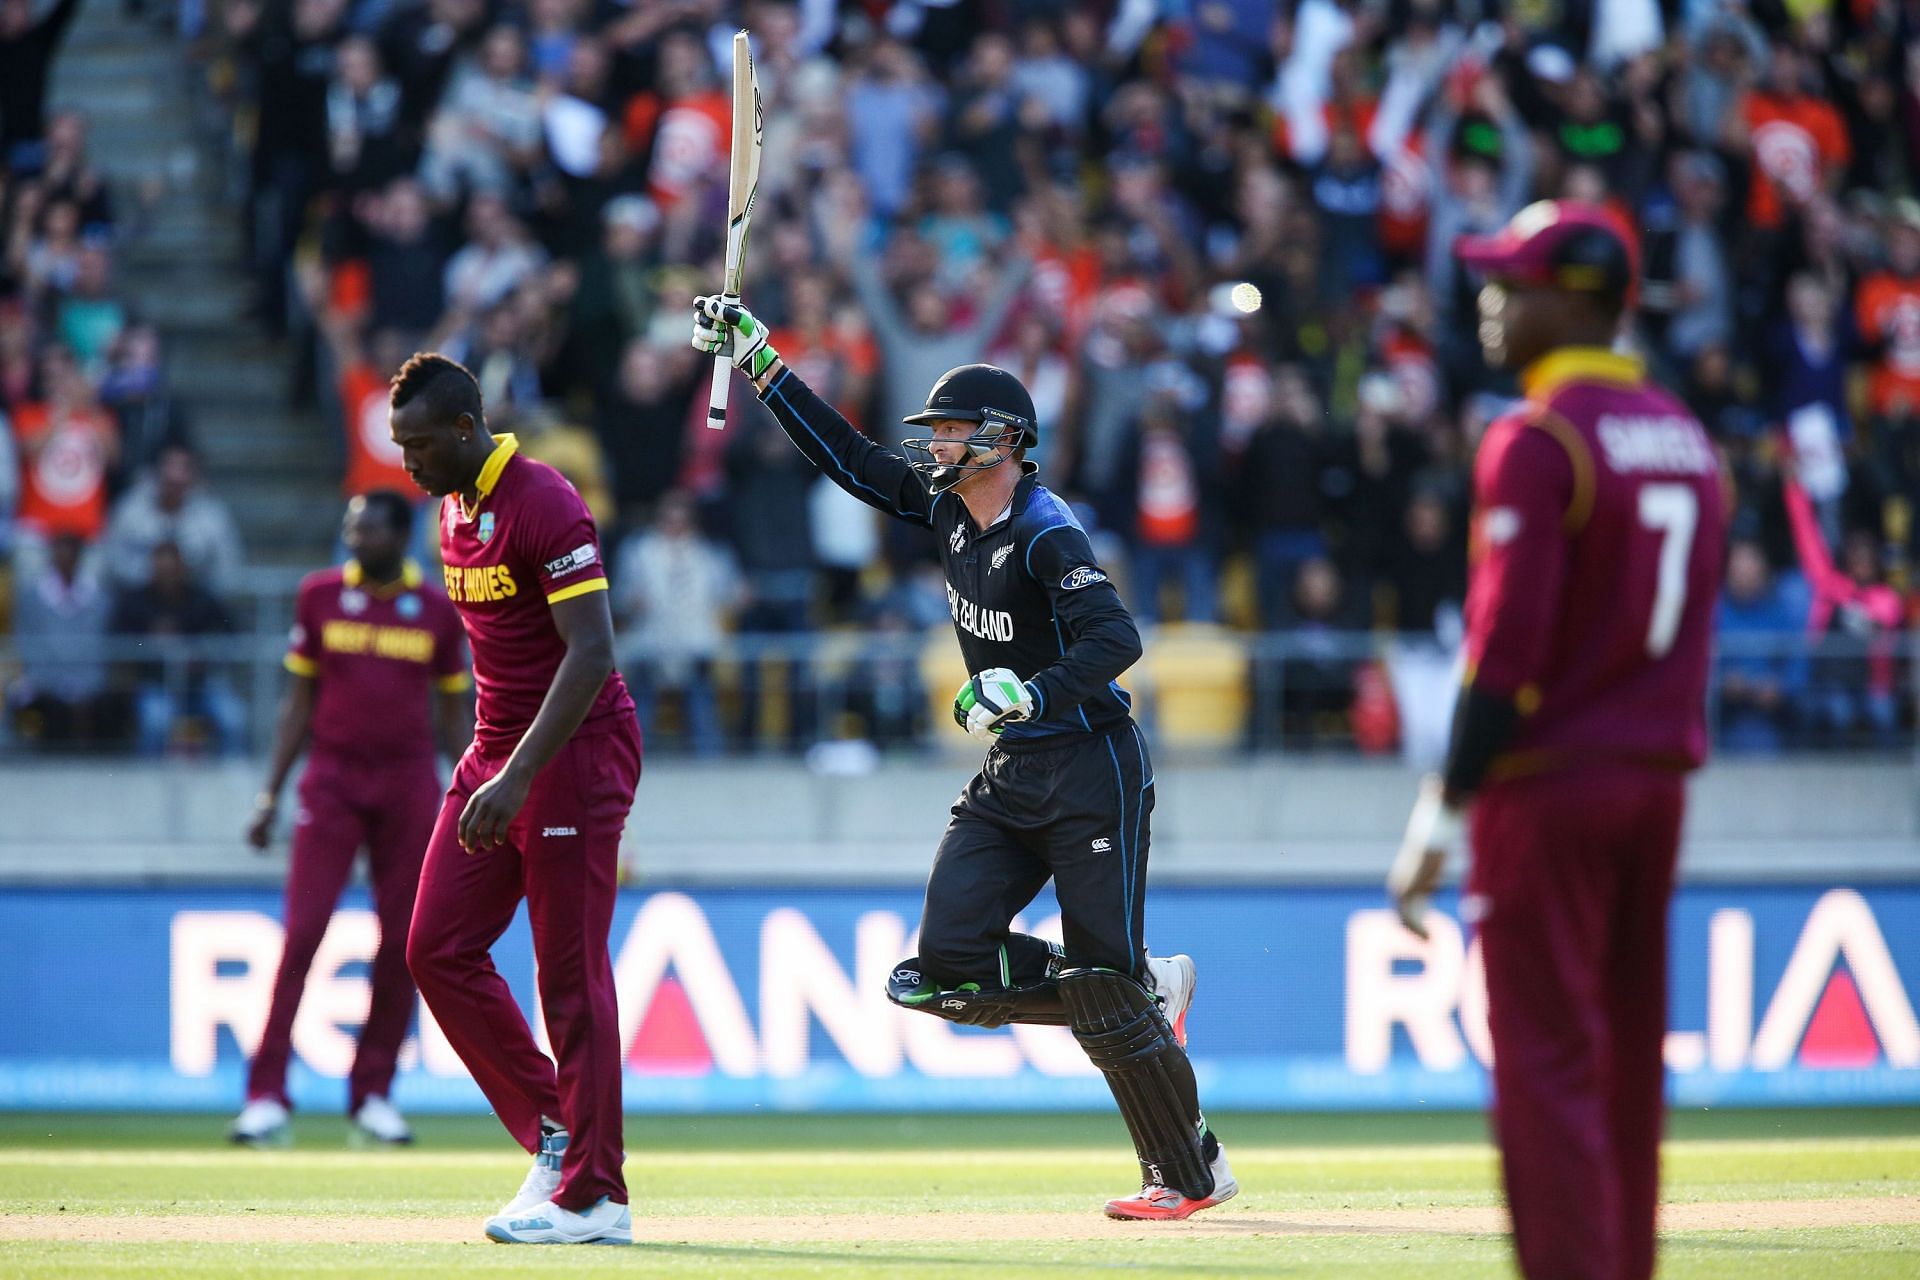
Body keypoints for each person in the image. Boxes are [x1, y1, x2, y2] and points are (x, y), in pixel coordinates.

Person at [693, 297, 1236, 1221]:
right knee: (940, 969)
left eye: (952, 430)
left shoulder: (1044, 530)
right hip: (1014, 771)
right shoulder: (948, 509)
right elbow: (856, 463)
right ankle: (1136, 986)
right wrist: (761, 364)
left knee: (1100, 990)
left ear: (1007, 440)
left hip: (1091, 765)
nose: (935, 445)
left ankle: (1189, 1173)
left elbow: (1117, 637)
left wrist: (1030, 691)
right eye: (936, 430)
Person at [1387, 200, 1728, 1280]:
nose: (1489, 302)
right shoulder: (1687, 437)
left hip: (1549, 786)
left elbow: (1507, 649)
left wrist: (1442, 809)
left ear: (1572, 299)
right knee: (1628, 1070)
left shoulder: (1538, 439)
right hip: (1656, 784)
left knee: (1546, 1071)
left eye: (1510, 282)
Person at [388, 353, 640, 1246]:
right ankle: (555, 1132)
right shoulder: (453, 510)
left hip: (569, 754)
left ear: (465, 430)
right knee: (436, 948)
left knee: (569, 977)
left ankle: (594, 1199)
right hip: (497, 754)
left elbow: (592, 653)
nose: (407, 465)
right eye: (398, 448)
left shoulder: (544, 500)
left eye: (418, 446)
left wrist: (519, 774)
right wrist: (488, 762)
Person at [229, 492, 471, 1147]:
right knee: (303, 933)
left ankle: (373, 1094)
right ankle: (266, 1095)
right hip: (331, 780)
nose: (354, 539)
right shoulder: (319, 596)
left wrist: (474, 789)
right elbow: (297, 703)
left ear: (400, 535)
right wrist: (269, 796)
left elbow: (454, 716)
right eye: (351, 529)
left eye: (366, 530)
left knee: (403, 944)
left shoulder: (439, 612)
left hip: (407, 782)